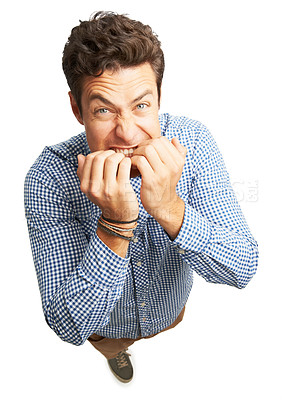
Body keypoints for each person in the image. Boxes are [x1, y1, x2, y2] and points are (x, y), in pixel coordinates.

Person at [24, 11, 259, 383]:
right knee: (111, 345)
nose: (128, 132)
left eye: (141, 105)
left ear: (159, 97)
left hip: (172, 313)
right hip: (107, 329)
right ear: (77, 109)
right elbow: (69, 326)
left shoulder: (193, 142)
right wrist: (115, 225)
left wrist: (169, 208)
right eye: (103, 110)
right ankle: (117, 355)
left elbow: (243, 267)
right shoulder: (49, 177)